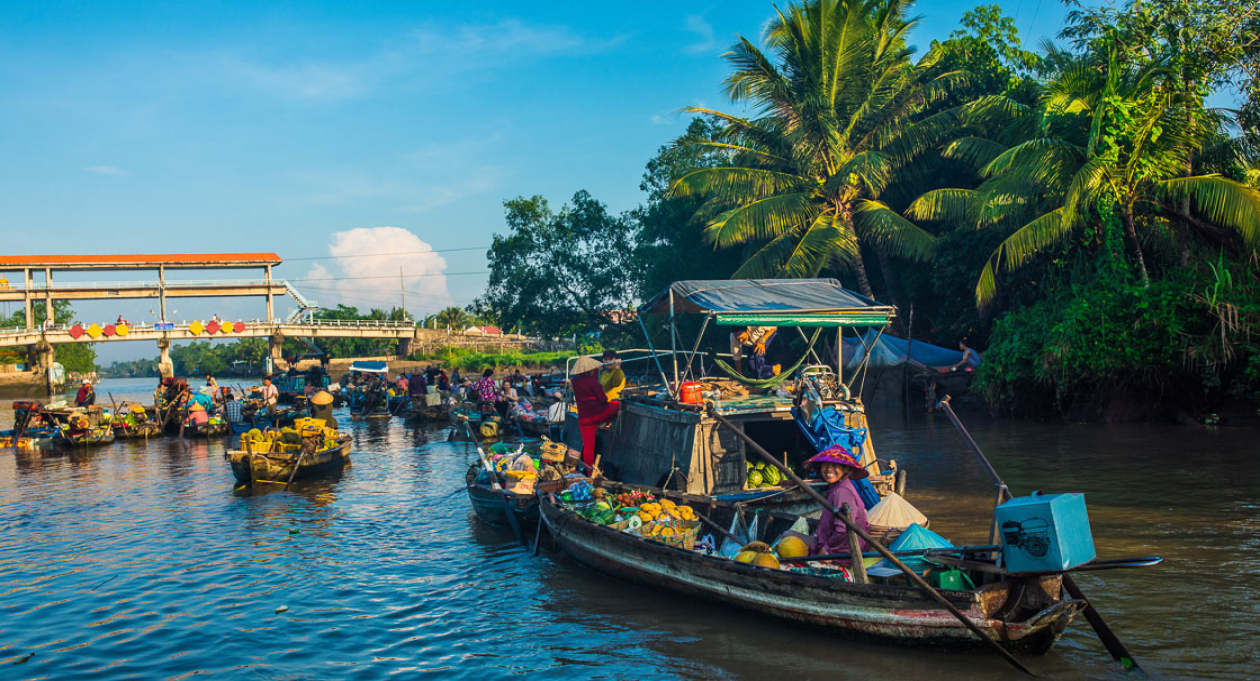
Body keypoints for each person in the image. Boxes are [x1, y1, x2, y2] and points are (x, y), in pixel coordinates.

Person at [804, 445, 871, 559]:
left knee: (787, 537)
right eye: (825, 465)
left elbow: (843, 530)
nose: (829, 469)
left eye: (835, 466)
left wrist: (827, 550)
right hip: (833, 544)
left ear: (846, 470)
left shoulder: (842, 492)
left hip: (843, 551)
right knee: (788, 536)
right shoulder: (835, 487)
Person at [571, 356, 618, 468]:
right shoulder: (592, 381)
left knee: (588, 447)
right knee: (617, 405)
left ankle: (589, 472)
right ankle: (606, 422)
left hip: (583, 419)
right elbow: (603, 399)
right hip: (597, 415)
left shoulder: (574, 382)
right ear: (591, 370)